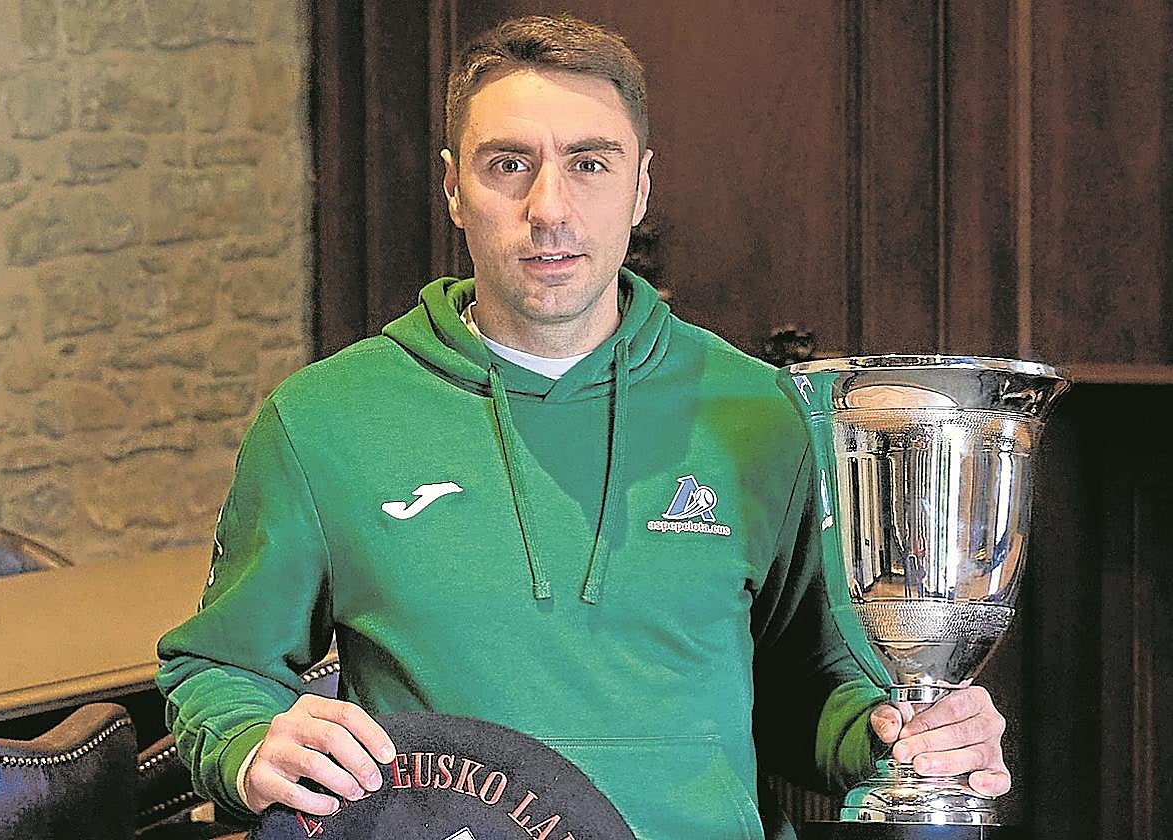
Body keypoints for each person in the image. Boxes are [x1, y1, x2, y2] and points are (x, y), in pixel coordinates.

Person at [156, 14, 1010, 839]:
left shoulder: (763, 412)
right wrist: (246, 743)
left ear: (641, 186)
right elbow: (219, 670)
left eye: (590, 164)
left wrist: (903, 738)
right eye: (508, 165)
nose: (549, 207)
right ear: (453, 188)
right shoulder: (322, 421)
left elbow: (808, 689)